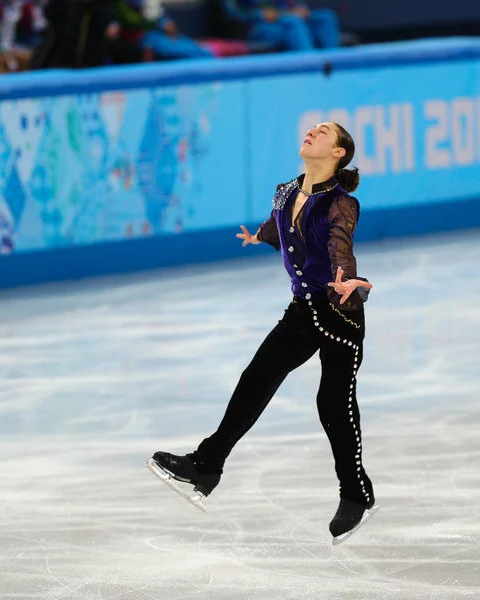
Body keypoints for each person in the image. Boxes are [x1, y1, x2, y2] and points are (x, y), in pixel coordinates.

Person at [148, 121, 379, 545]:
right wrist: (260, 236)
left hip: (338, 311)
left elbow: (339, 245)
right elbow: (280, 224)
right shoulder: (284, 190)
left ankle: (356, 493)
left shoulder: (343, 203)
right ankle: (206, 465)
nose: (312, 131)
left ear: (338, 153)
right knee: (256, 378)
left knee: (332, 402)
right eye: (312, 127)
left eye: (324, 132)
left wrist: (345, 276)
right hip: (303, 310)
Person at [223, 0, 339, 52]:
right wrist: (259, 15)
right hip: (257, 26)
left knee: (326, 17)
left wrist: (300, 8)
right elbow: (232, 14)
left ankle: (338, 68)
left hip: (286, 18)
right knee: (293, 23)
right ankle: (313, 69)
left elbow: (293, 4)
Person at [117, 0, 213, 61]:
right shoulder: (128, 5)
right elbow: (140, 18)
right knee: (199, 55)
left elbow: (159, 15)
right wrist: (162, 24)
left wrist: (167, 23)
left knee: (202, 51)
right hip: (147, 38)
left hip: (164, 35)